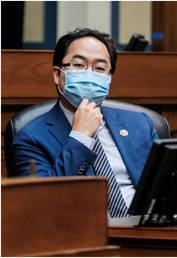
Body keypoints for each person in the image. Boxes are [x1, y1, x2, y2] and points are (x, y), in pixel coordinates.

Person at [12, 28, 160, 218]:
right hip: (85, 237)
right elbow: (41, 204)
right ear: (57, 75)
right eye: (79, 65)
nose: (90, 75)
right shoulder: (30, 137)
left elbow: (172, 189)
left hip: (150, 233)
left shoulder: (139, 123)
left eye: (100, 68)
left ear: (109, 79)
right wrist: (80, 138)